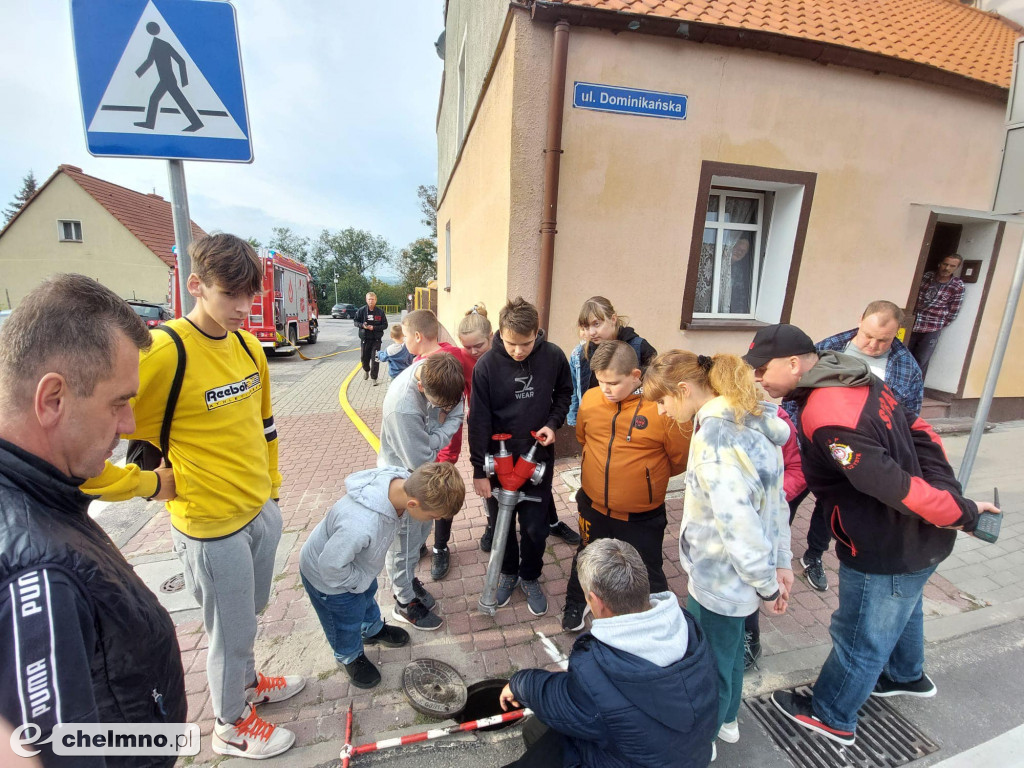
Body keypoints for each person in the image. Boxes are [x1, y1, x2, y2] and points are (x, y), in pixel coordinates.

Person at [82, 235, 303, 760]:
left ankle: (247, 685)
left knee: (249, 616)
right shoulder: (163, 351)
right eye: (232, 295)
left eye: (252, 295)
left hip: (259, 512)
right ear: (195, 285)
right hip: (209, 526)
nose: (246, 310)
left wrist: (272, 493)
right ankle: (229, 726)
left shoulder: (249, 346)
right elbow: (84, 452)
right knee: (227, 632)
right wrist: (149, 484)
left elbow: (265, 426)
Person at [746, 323, 999, 746]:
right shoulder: (855, 375)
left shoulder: (825, 415)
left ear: (793, 364)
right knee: (905, 605)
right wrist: (950, 497)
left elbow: (892, 485)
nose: (756, 378)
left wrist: (962, 513)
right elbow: (920, 432)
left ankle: (832, 715)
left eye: (760, 369)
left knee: (859, 634)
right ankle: (906, 675)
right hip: (919, 541)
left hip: (885, 544)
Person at [0, 275, 187, 768]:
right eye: (119, 402)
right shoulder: (38, 573)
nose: (128, 426)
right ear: (53, 399)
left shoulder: (40, 494)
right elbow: (63, 748)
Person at [643, 350, 793, 748]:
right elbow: (776, 501)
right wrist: (779, 563)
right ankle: (727, 720)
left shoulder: (715, 440)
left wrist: (767, 583)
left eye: (662, 401)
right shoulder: (752, 421)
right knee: (729, 650)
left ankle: (704, 736)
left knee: (708, 662)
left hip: (720, 578)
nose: (660, 412)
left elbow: (738, 526)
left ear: (684, 389)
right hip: (741, 576)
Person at [499, 539, 718, 768]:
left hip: (621, 758)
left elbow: (561, 697)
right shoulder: (689, 628)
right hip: (690, 755)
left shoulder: (596, 669)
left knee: (541, 741)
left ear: (596, 601)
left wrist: (519, 684)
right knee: (538, 729)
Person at [793, 300, 924, 594]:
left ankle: (813, 555)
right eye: (868, 336)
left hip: (856, 453)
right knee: (787, 497)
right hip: (811, 444)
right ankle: (773, 555)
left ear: (897, 334)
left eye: (884, 340)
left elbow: (909, 418)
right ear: (860, 320)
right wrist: (798, 435)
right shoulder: (829, 347)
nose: (873, 345)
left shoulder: (906, 368)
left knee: (830, 507)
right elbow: (794, 392)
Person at [562, 340, 690, 633]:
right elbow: (583, 438)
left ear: (635, 375)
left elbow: (680, 459)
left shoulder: (661, 408)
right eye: (600, 381)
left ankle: (658, 620)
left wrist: (643, 479)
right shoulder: (592, 400)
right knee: (585, 556)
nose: (605, 389)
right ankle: (576, 603)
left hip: (641, 515)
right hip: (593, 507)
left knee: (647, 569)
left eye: (613, 383)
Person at [300, 462, 465, 689]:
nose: (432, 521)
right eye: (432, 516)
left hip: (356, 569)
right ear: (413, 503)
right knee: (345, 620)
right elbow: (330, 567)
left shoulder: (402, 483)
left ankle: (371, 629)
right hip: (330, 581)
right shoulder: (360, 525)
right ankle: (348, 656)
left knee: (366, 598)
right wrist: (358, 582)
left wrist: (362, 580)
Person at [468, 297, 572, 617]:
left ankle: (529, 576)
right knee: (501, 522)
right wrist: (478, 470)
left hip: (537, 454)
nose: (518, 351)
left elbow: (565, 393)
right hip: (499, 459)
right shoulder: (486, 366)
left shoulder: (553, 356)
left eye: (525, 343)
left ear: (537, 333)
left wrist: (553, 424)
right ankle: (508, 572)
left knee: (535, 526)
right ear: (500, 333)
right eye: (511, 343)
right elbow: (479, 419)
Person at [380, 351, 465, 631]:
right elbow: (421, 456)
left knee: (419, 535)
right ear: (421, 387)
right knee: (403, 542)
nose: (447, 408)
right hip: (406, 480)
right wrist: (450, 425)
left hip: (423, 472)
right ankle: (403, 601)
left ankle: (409, 581)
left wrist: (450, 412)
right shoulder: (403, 408)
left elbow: (457, 404)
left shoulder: (441, 374)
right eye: (439, 405)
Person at [431, 303, 492, 579]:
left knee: (492, 473)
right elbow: (431, 357)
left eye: (479, 346)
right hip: (456, 419)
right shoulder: (457, 354)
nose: (473, 352)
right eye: (468, 347)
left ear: (491, 338)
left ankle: (492, 526)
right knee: (444, 477)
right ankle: (440, 546)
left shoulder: (502, 355)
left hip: (493, 426)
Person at [743, 404, 805, 670]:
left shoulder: (777, 421)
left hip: (763, 516)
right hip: (729, 519)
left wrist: (768, 497)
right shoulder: (711, 419)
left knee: (753, 577)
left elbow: (797, 469)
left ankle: (749, 637)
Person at [567, 296, 657, 427]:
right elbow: (575, 392)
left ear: (613, 319)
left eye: (596, 324)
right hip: (596, 422)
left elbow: (658, 386)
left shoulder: (639, 347)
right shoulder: (579, 354)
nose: (591, 332)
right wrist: (574, 421)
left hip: (631, 425)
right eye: (586, 327)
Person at [907, 254, 965, 377]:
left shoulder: (957, 286)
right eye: (945, 264)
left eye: (952, 266)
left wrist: (940, 323)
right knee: (904, 355)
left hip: (932, 327)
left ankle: (915, 391)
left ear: (957, 268)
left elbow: (953, 310)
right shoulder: (927, 276)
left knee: (921, 360)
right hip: (914, 323)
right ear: (940, 263)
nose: (947, 268)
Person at [354, 292, 389, 385]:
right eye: (369, 299)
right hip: (365, 339)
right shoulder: (361, 311)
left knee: (375, 359)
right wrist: (362, 325)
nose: (371, 301)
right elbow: (355, 322)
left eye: (372, 299)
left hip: (376, 340)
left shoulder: (380, 312)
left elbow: (385, 325)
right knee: (364, 358)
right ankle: (366, 370)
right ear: (366, 300)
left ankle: (374, 378)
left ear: (375, 300)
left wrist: (374, 328)